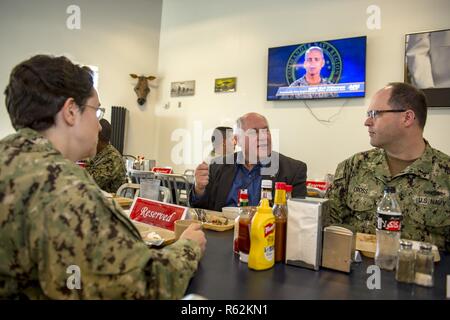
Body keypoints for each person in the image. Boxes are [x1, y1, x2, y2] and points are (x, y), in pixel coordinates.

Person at [0, 54, 206, 299]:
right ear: (70, 112)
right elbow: (143, 287)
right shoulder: (67, 191)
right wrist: (189, 247)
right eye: (96, 111)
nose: (99, 126)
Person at [326, 82, 450, 252]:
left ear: (407, 118)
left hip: (421, 274)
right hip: (358, 274)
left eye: (375, 114)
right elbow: (329, 230)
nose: (367, 122)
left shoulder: (445, 174)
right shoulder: (353, 167)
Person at [191, 112, 307, 211]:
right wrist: (199, 189)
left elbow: (298, 219)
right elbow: (201, 210)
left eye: (266, 131)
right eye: (253, 132)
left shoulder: (293, 170)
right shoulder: (217, 166)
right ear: (237, 140)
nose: (263, 137)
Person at [85, 119, 127, 193]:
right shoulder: (99, 154)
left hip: (108, 202)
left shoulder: (112, 158)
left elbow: (90, 183)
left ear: (98, 137)